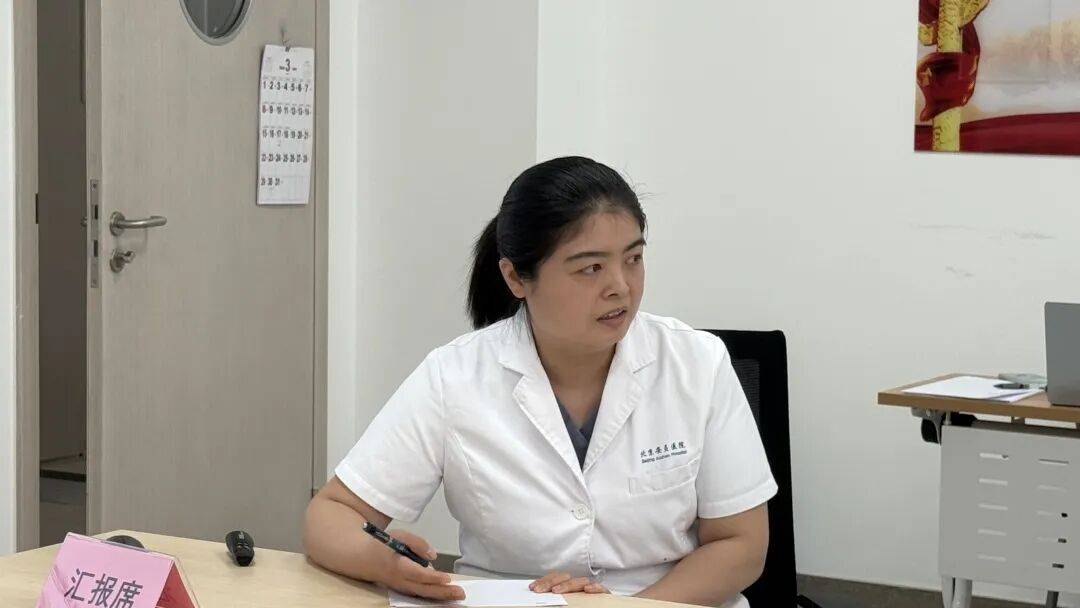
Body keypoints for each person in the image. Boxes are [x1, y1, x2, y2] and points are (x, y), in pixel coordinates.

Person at [304, 156, 777, 607]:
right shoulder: (455, 376)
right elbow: (331, 514)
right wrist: (383, 562)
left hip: (665, 605)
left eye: (633, 258)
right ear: (516, 278)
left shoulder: (697, 363)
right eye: (591, 268)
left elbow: (741, 543)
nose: (620, 286)